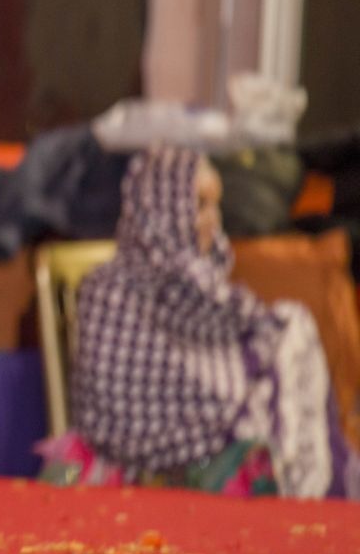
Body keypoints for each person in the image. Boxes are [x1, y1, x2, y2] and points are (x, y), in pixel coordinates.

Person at [61, 146, 335, 497]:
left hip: (210, 472)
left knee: (292, 329)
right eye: (200, 205)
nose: (214, 221)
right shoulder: (109, 292)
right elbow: (117, 419)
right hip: (124, 482)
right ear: (162, 208)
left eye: (215, 205)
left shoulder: (210, 292)